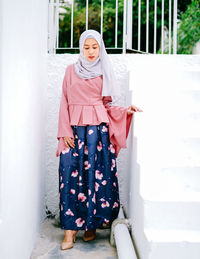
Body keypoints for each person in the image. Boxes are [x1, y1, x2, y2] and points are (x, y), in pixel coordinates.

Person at [56, 29, 142, 250]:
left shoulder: (104, 73)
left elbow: (107, 107)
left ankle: (91, 225)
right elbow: (64, 103)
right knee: (69, 175)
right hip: (73, 132)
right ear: (81, 48)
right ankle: (69, 231)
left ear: (101, 48)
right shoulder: (69, 71)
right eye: (87, 47)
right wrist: (65, 131)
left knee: (96, 176)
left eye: (95, 47)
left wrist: (126, 111)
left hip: (97, 134)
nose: (91, 52)